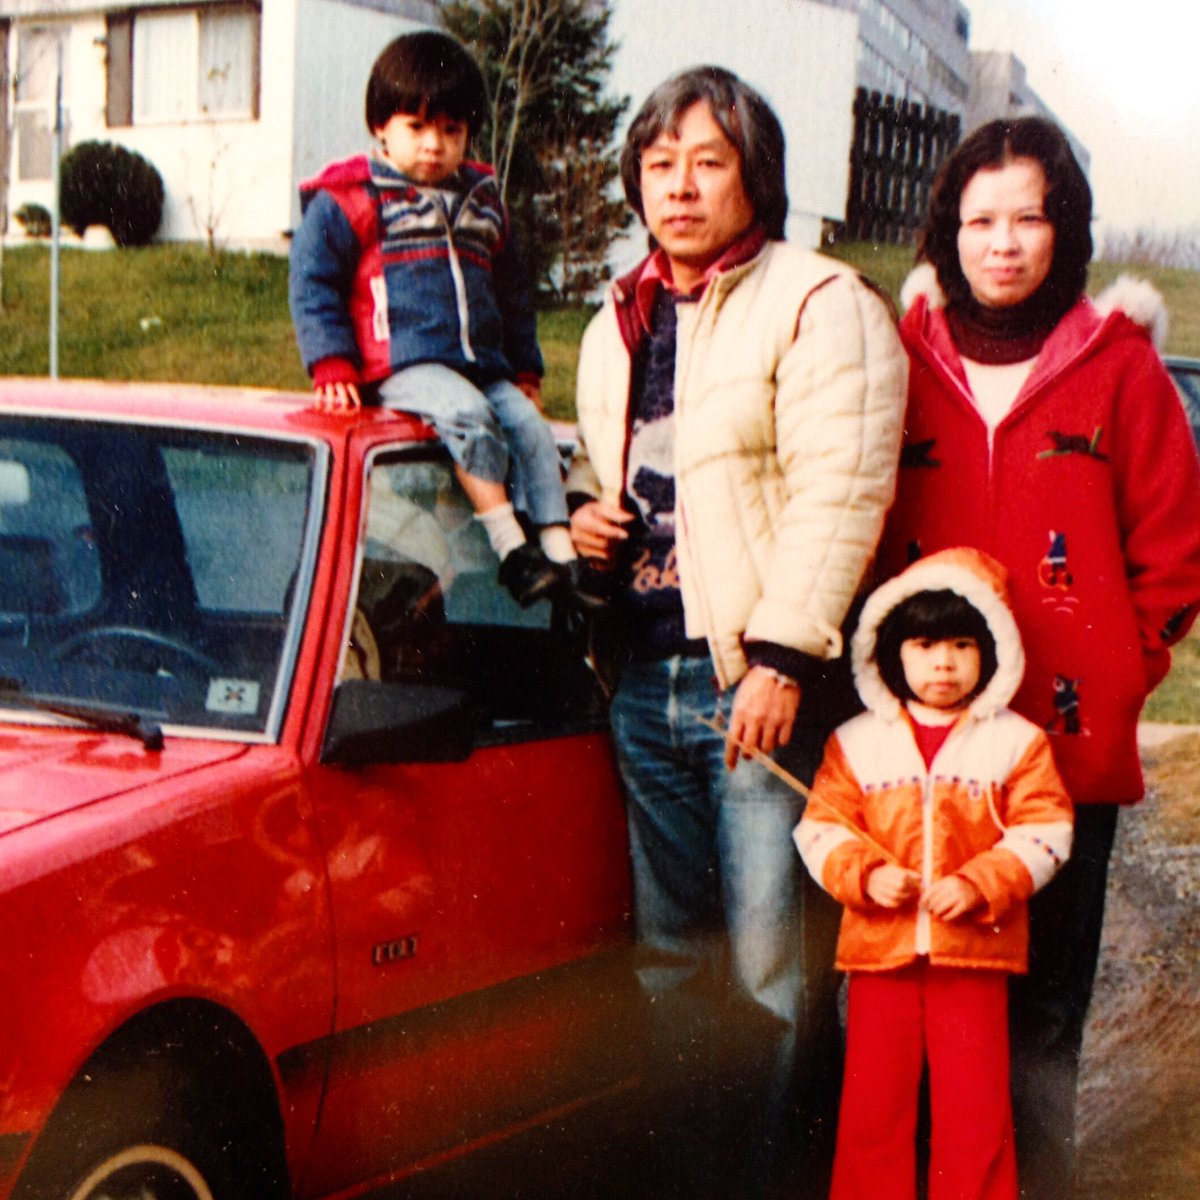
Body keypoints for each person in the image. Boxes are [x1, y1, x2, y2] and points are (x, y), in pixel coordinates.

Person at [566, 66, 907, 1197]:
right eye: (659, 164)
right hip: (644, 681)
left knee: (770, 976)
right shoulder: (619, 320)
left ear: (754, 175)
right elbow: (610, 468)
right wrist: (588, 523)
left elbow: (839, 493)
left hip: (753, 688)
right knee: (669, 967)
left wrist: (781, 660)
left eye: (708, 161)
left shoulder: (818, 302)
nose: (680, 186)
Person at [880, 115, 1200, 1197]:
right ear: (948, 230)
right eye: (980, 220)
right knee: (917, 1012)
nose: (1003, 243)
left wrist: (1123, 666)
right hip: (918, 756)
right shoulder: (904, 360)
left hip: (1062, 759)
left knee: (1043, 1018)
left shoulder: (1119, 370)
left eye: (1029, 217)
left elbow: (1175, 548)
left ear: (1065, 229)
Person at [794, 547, 1074, 1200]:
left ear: (991, 651)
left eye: (961, 644)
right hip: (879, 954)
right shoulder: (856, 741)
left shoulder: (1016, 741)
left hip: (973, 954)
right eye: (923, 644)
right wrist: (864, 877)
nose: (943, 663)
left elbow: (1048, 829)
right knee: (874, 1107)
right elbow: (820, 828)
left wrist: (981, 882)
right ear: (892, 651)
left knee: (974, 1108)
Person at [289, 30, 574, 608]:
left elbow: (513, 294)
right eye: (417, 128)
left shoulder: (484, 202)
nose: (435, 146)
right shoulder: (353, 197)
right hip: (401, 362)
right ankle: (511, 549)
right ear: (381, 128)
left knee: (531, 428)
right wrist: (333, 364)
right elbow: (313, 281)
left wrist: (526, 370)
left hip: (481, 363)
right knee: (465, 415)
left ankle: (563, 556)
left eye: (451, 130)